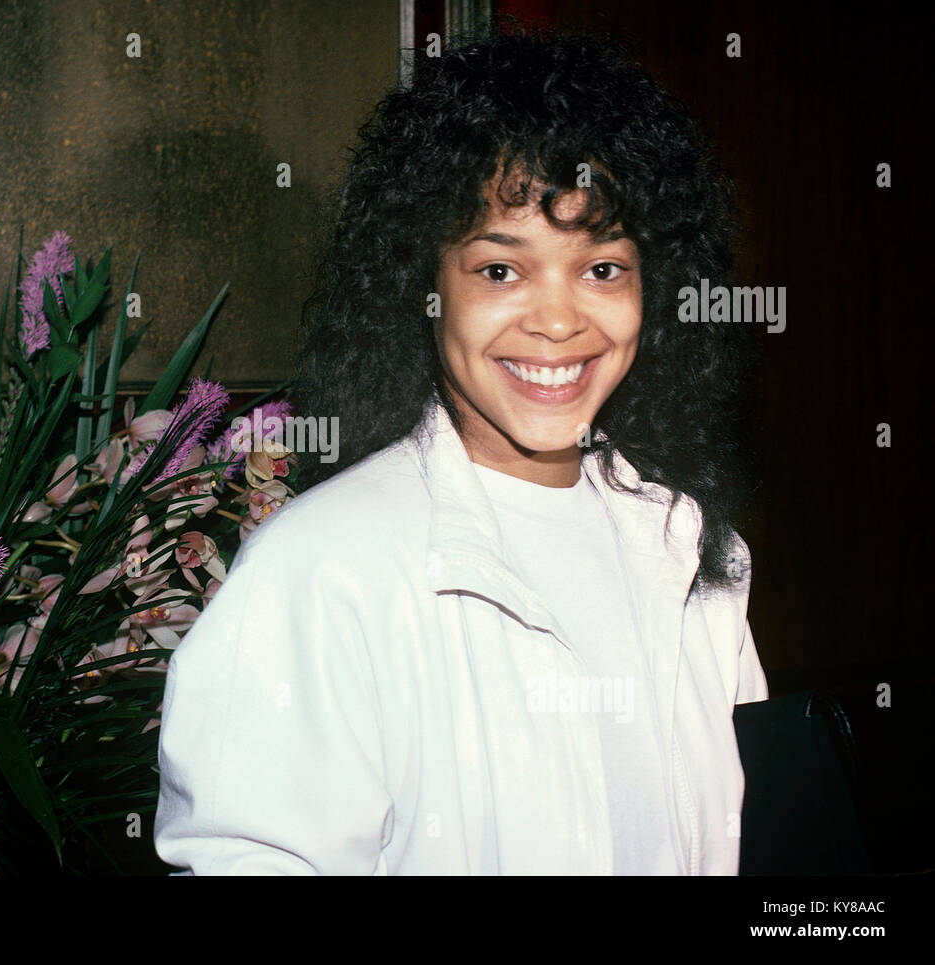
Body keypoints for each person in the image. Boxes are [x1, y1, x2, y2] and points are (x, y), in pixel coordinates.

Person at [153, 24, 769, 875]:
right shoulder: (320, 571)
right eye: (500, 270)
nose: (558, 321)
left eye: (601, 269)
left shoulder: (694, 551)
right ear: (422, 283)